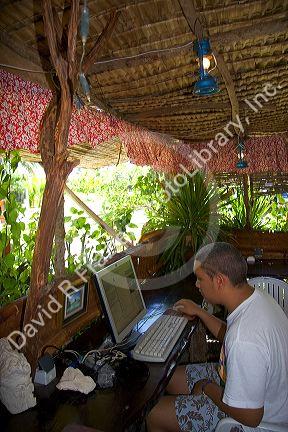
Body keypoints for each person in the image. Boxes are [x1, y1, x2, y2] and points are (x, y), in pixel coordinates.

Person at [146, 242, 288, 432]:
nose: (196, 285)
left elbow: (251, 417)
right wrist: (199, 312)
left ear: (219, 281)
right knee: (170, 377)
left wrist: (207, 388)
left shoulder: (244, 338)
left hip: (260, 419)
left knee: (153, 413)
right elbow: (230, 336)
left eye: (200, 279)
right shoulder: (256, 297)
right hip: (257, 388)